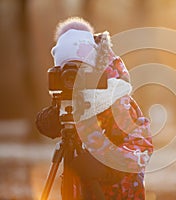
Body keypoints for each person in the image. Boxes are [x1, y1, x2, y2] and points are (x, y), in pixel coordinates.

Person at [36, 17, 153, 200]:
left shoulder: (115, 100)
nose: (73, 80)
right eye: (67, 73)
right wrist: (47, 121)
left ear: (93, 69)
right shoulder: (69, 97)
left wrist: (105, 167)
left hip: (117, 193)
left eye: (80, 71)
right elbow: (51, 120)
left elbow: (142, 146)